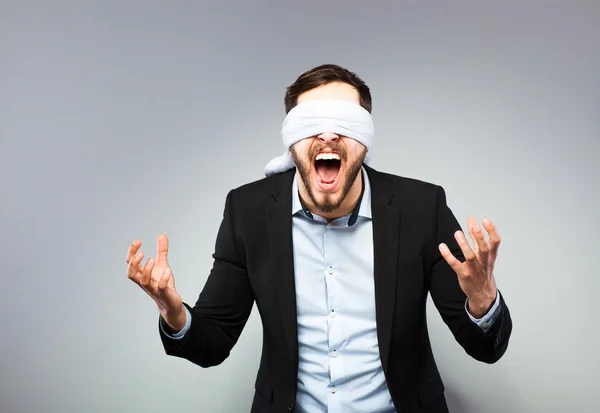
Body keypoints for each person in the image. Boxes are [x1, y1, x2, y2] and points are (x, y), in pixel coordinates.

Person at [126, 64, 512, 413]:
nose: (328, 134)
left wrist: (482, 302)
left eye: (345, 122)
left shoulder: (421, 208)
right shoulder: (248, 211)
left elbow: (485, 349)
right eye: (312, 122)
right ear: (290, 140)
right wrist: (176, 316)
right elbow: (213, 342)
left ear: (365, 139)